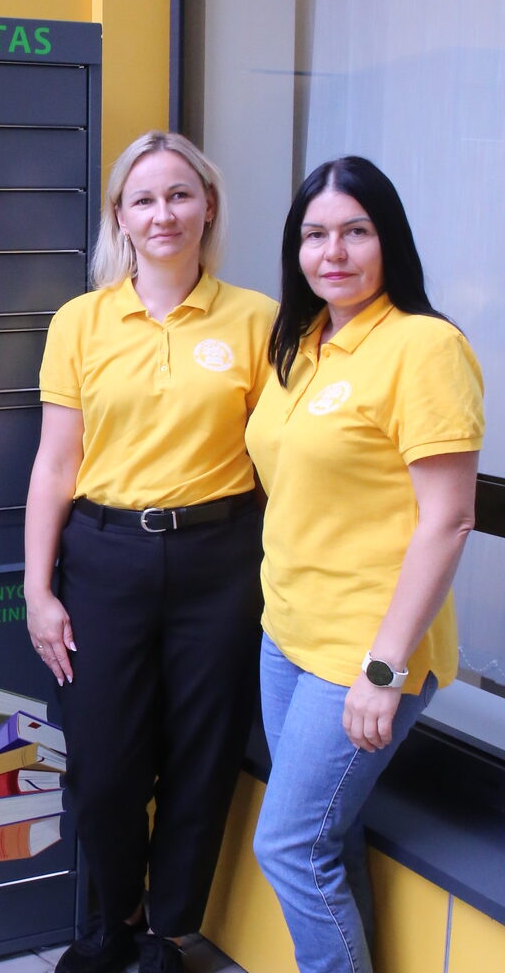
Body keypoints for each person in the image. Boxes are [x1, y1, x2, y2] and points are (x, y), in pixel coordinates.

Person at [25, 132, 275, 973]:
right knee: (101, 763)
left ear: (208, 206)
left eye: (178, 195)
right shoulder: (81, 321)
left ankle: (169, 933)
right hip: (104, 558)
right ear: (120, 217)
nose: (162, 213)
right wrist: (38, 589)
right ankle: (117, 918)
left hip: (221, 559)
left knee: (203, 756)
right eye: (143, 199)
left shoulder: (259, 320)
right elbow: (55, 463)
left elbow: (284, 456)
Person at [247, 157, 482, 973]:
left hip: (366, 647)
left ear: (390, 241)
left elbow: (449, 519)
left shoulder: (424, 346)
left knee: (287, 846)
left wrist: (384, 669)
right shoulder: (303, 342)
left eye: (356, 231)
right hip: (288, 634)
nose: (334, 252)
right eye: (315, 235)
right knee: (325, 839)